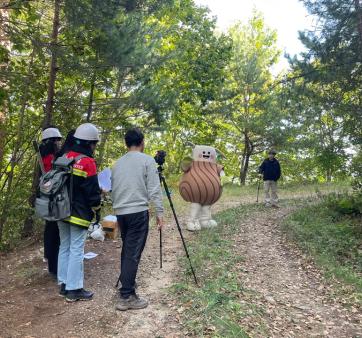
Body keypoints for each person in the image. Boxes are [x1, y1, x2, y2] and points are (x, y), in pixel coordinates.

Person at [112, 127, 164, 311]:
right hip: (137, 212)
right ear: (142, 142)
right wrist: (160, 213)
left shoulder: (117, 163)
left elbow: (114, 188)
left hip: (121, 212)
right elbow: (154, 189)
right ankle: (127, 295)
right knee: (133, 253)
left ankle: (128, 284)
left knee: (128, 249)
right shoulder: (147, 161)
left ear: (126, 143)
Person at [57, 123, 101, 302]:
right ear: (90, 143)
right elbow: (92, 192)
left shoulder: (65, 157)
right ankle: (74, 289)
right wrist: (97, 207)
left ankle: (64, 284)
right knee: (76, 249)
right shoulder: (87, 162)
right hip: (78, 213)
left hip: (60, 210)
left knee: (64, 246)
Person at [39, 126, 63, 277]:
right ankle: (55, 266)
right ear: (51, 141)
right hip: (54, 198)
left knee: (50, 230)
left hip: (47, 198)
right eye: (57, 141)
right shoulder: (50, 159)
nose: (59, 144)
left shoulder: (44, 156)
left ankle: (52, 263)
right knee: (54, 232)